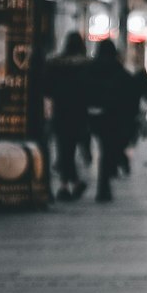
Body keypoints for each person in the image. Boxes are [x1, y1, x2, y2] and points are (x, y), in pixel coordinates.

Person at [89, 40, 142, 203]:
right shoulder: (119, 71)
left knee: (105, 148)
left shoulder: (92, 70)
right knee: (109, 149)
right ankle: (105, 184)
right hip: (116, 118)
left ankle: (104, 185)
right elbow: (132, 94)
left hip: (96, 116)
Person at [43, 32, 93, 202]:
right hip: (79, 112)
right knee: (70, 148)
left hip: (61, 110)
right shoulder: (86, 65)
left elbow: (47, 88)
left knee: (64, 148)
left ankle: (67, 184)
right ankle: (73, 183)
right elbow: (89, 89)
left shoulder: (55, 64)